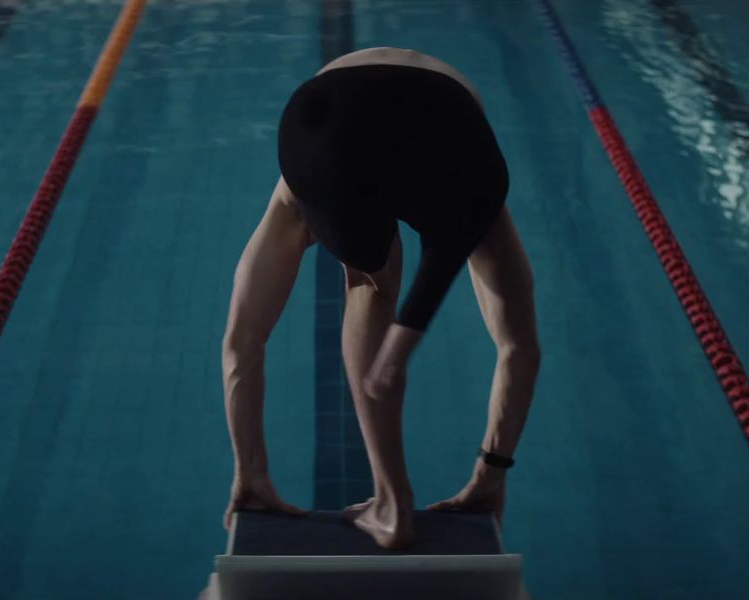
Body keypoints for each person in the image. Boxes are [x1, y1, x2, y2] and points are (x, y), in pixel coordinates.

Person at [220, 47, 541, 550]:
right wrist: (492, 473)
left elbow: (241, 339)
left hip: (321, 122)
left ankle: (386, 502)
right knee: (512, 331)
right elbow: (519, 347)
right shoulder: (476, 189)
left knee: (368, 285)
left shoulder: (294, 199)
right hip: (442, 133)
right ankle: (394, 508)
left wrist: (248, 471)